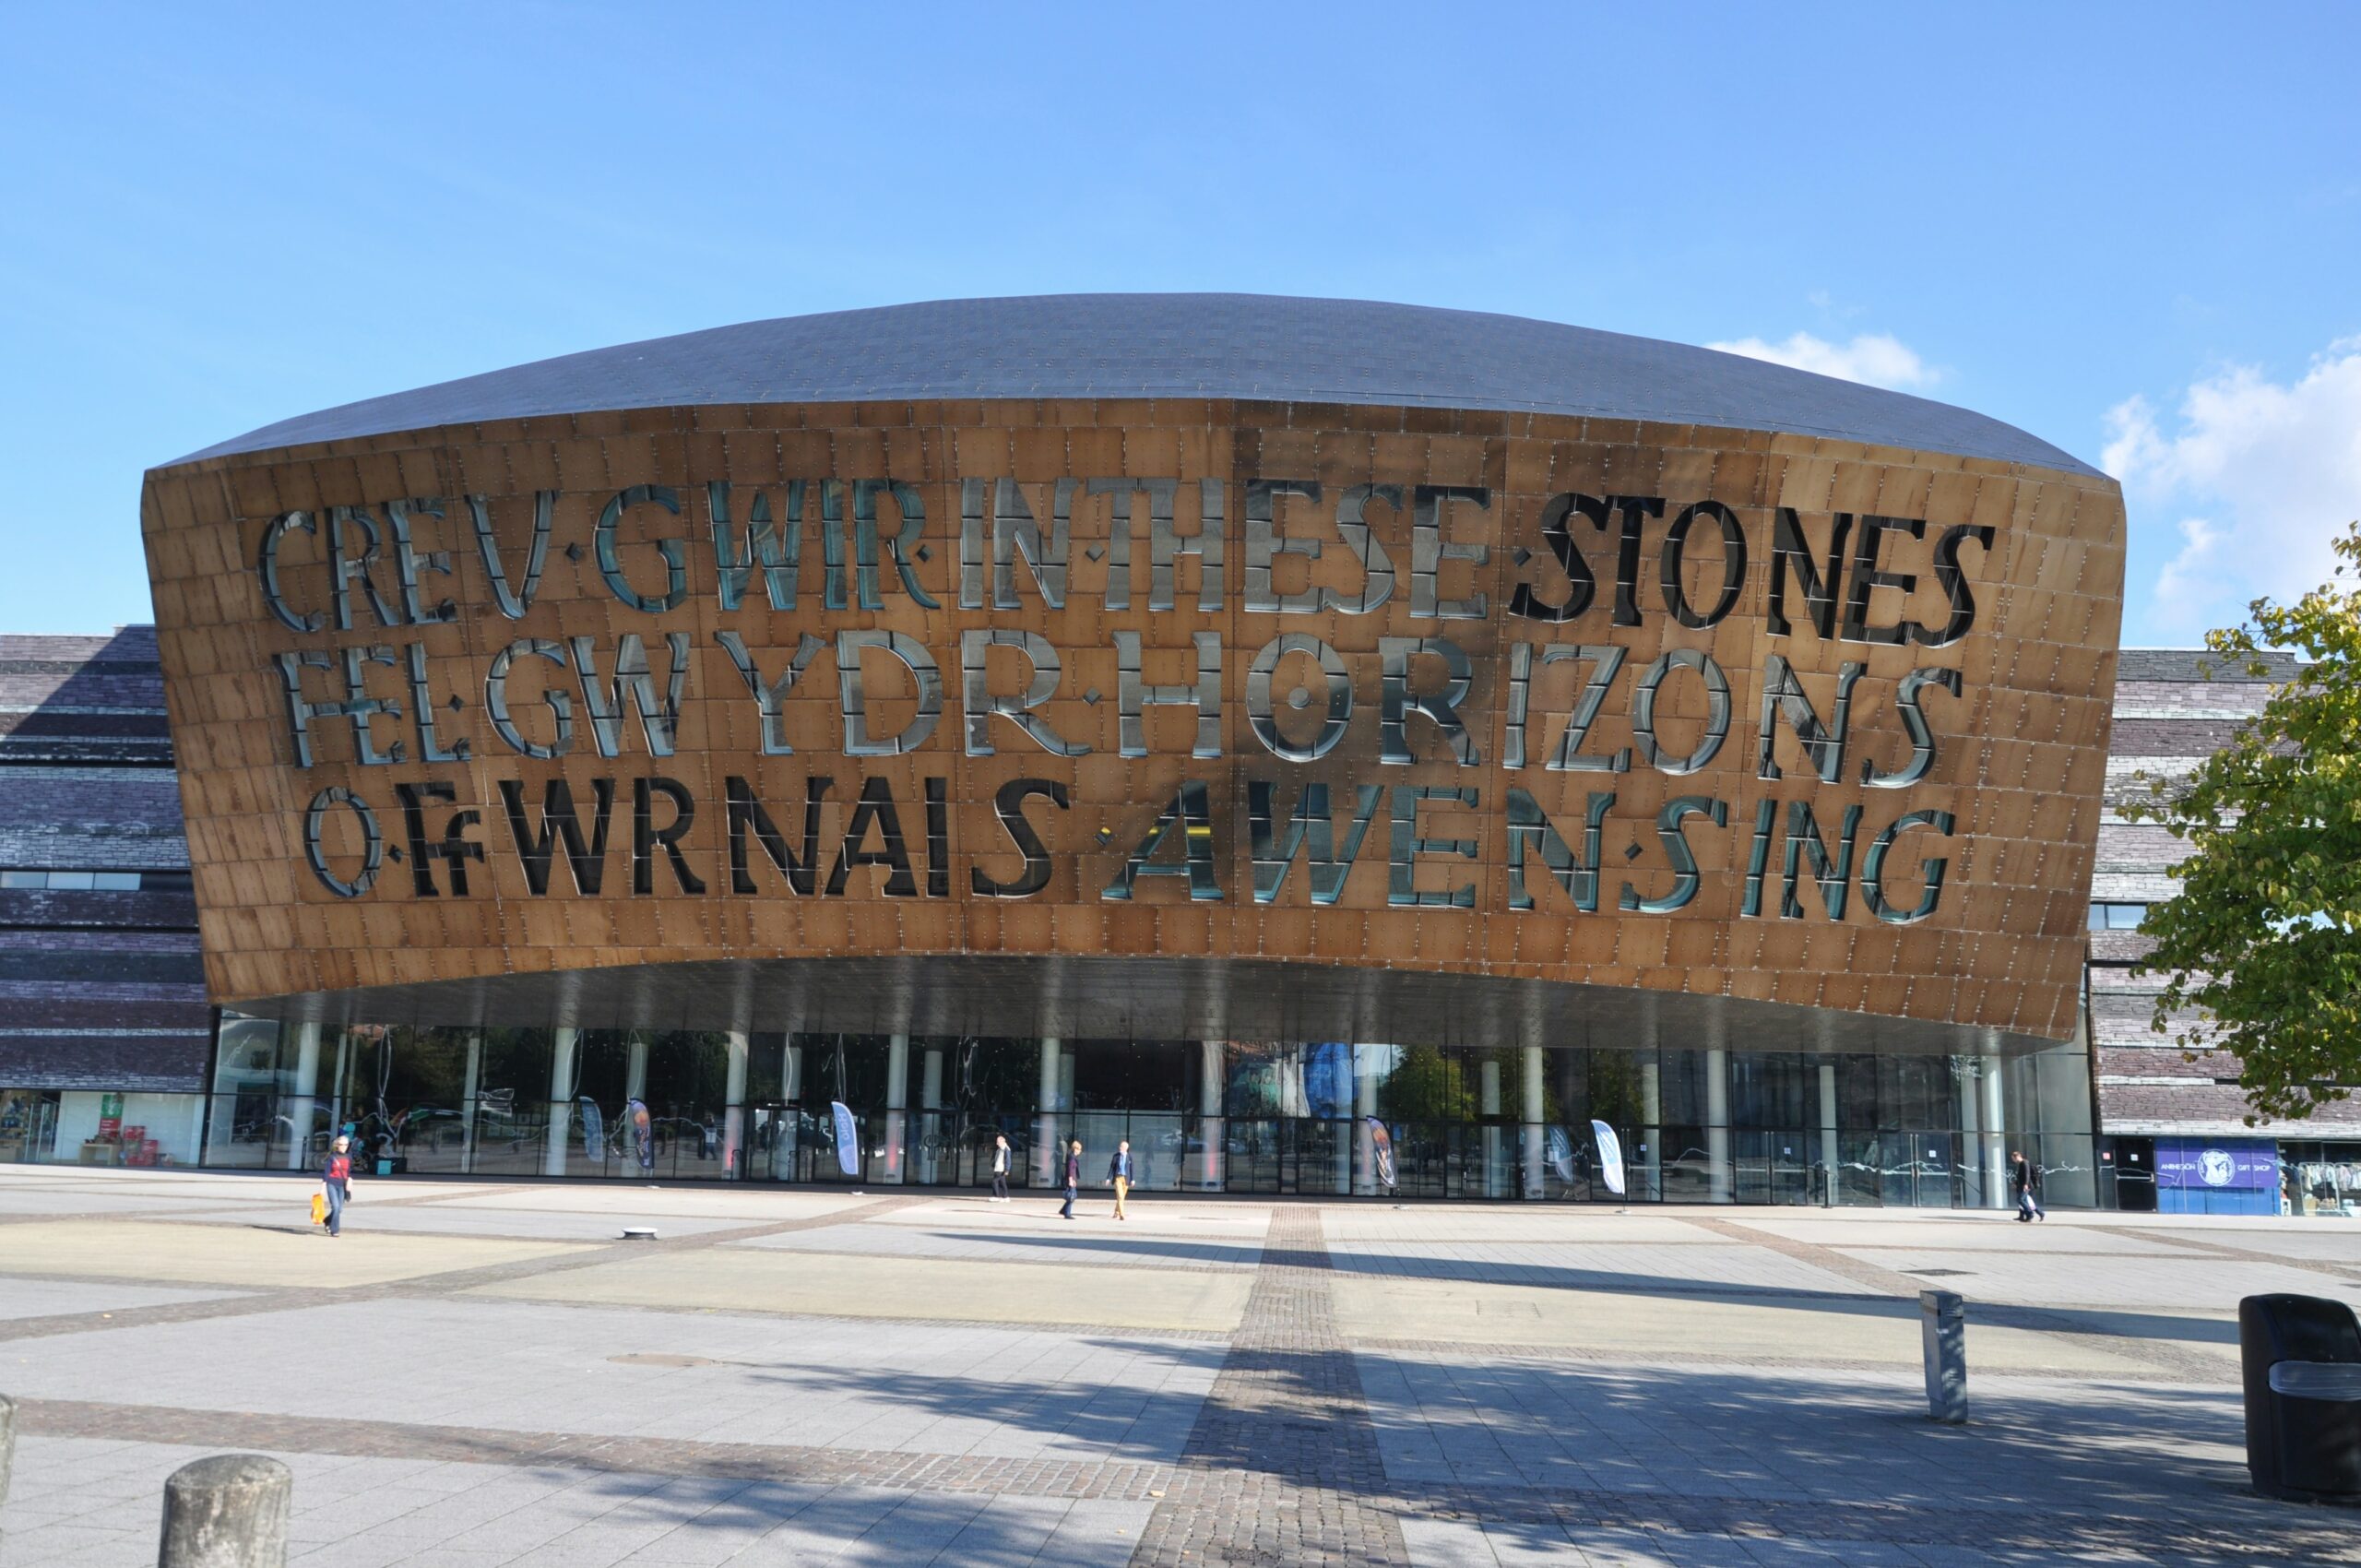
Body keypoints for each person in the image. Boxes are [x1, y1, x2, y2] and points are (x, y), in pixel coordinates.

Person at [321, 1134, 357, 1238]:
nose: (344, 1147)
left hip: (342, 1184)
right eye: (342, 1144)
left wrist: (350, 1180)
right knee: (335, 1206)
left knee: (339, 1209)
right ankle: (334, 1230)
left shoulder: (348, 1157)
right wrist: (323, 1186)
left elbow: (349, 1171)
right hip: (332, 1183)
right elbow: (327, 1172)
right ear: (337, 1145)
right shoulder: (332, 1157)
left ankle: (327, 1220)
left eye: (346, 1145)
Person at [2010, 1150, 2044, 1222]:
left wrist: (2026, 1184)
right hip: (2020, 1185)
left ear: (2018, 1156)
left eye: (2013, 1158)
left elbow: (2027, 1174)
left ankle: (2030, 1214)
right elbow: (2020, 1176)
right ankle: (2038, 1213)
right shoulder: (2020, 1164)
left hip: (2025, 1186)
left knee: (2020, 1199)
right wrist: (2015, 1183)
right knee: (2025, 1201)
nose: (2013, 1160)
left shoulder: (2025, 1163)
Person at [1109, 1138, 1135, 1220]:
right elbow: (1112, 1168)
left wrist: (1132, 1179)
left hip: (1126, 1179)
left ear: (1125, 1148)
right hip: (1118, 1178)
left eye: (1121, 1147)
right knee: (1120, 1196)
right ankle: (1122, 1215)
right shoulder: (1116, 1156)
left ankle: (1116, 1211)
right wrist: (1108, 1178)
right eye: (1120, 1146)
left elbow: (1132, 1169)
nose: (1119, 1148)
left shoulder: (1129, 1157)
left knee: (1121, 1197)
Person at [1059, 1137, 1082, 1219]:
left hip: (1072, 1179)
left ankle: (1063, 1210)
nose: (1080, 1151)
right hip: (1071, 1179)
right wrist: (1071, 1180)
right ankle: (1067, 1213)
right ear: (1075, 1149)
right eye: (1079, 1149)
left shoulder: (1072, 1157)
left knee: (1072, 1196)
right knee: (1072, 1196)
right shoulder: (1072, 1158)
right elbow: (1070, 1169)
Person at [991, 1134, 1011, 1203]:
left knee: (994, 1181)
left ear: (1002, 1142)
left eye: (998, 1142)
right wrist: (993, 1165)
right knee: (1002, 1183)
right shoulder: (999, 1150)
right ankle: (1006, 1196)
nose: (997, 1143)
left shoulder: (1006, 1149)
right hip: (998, 1168)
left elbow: (1008, 1160)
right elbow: (996, 1158)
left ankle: (996, 1196)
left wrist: (1007, 1169)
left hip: (1001, 1169)